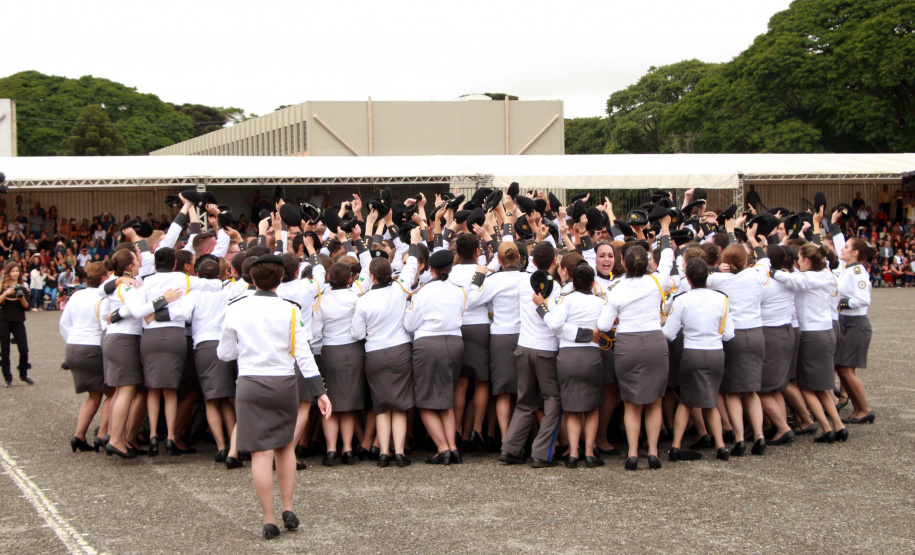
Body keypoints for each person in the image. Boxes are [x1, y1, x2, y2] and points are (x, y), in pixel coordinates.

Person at [217, 254, 331, 540]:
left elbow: (224, 353)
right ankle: (288, 506)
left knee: (260, 452)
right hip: (283, 381)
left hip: (251, 381)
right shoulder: (290, 309)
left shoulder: (236, 308)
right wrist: (320, 392)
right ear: (280, 279)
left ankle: (269, 519)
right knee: (284, 447)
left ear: (252, 279)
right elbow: (303, 356)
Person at [597, 215, 673, 470]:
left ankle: (632, 452)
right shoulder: (656, 281)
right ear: (647, 262)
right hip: (654, 340)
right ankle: (652, 451)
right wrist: (664, 230)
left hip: (627, 343)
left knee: (631, 402)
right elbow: (668, 258)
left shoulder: (616, 289)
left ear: (623, 263)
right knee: (655, 401)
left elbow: (605, 326)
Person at [352, 231, 421, 467]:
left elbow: (357, 333)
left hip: (374, 352)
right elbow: (412, 265)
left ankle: (383, 453)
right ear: (390, 273)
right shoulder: (400, 288)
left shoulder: (362, 300)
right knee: (400, 405)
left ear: (371, 277)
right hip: (400, 349)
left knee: (381, 406)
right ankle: (399, 452)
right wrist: (413, 241)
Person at [661, 258, 734, 462]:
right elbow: (728, 333)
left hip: (692, 350)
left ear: (690, 279)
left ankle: (675, 445)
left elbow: (669, 333)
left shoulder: (682, 300)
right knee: (711, 401)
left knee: (686, 401)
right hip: (715, 351)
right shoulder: (721, 299)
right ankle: (720, 445)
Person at [537, 263, 605, 468]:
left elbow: (555, 324)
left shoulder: (566, 300)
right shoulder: (600, 302)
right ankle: (590, 451)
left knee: (572, 408)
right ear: (593, 283)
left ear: (573, 282)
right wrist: (586, 333)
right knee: (592, 407)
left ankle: (574, 452)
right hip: (591, 354)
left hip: (567, 354)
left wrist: (541, 308)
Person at [403, 249, 466, 465]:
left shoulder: (423, 292)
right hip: (455, 341)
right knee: (446, 398)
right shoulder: (459, 291)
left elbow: (409, 324)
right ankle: (453, 446)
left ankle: (443, 448)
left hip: (429, 343)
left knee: (426, 401)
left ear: (431, 270)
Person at [59, 261, 114, 452]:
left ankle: (79, 435)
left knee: (93, 394)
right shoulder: (104, 297)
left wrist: (72, 339)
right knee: (112, 393)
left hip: (74, 345)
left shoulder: (77, 295)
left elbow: (64, 322)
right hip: (93, 346)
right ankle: (102, 434)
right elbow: (106, 325)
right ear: (104, 278)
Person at [835, 237, 875, 424]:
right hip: (847, 322)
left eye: (846, 246)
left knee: (845, 368)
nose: (842, 249)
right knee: (842, 368)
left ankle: (864, 408)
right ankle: (859, 408)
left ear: (855, 252)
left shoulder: (857, 272)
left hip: (856, 324)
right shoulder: (847, 270)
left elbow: (863, 299)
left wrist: (841, 303)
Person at [0, 261, 32, 386]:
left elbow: (26, 306)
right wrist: (5, 293)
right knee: (5, 351)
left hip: (18, 321)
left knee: (24, 349)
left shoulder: (22, 288)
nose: (15, 273)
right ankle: (8, 377)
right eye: (12, 271)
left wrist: (22, 297)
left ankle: (23, 374)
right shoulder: (2, 287)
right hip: (4, 321)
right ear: (8, 273)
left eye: (17, 271)